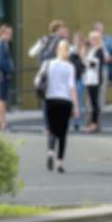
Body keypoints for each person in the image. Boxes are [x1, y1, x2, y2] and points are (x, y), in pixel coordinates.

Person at [34, 39, 80, 173]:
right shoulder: (70, 67)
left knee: (52, 129)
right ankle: (60, 163)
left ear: (56, 50)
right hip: (65, 100)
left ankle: (50, 153)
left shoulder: (48, 64)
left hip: (50, 99)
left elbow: (37, 80)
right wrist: (76, 106)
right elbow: (72, 88)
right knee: (63, 133)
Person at [80, 30, 107, 133]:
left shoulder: (99, 50)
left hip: (95, 79)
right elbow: (86, 64)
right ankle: (92, 123)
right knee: (92, 101)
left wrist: (84, 57)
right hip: (90, 79)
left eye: (91, 38)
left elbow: (93, 65)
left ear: (96, 40)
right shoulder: (92, 50)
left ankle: (94, 124)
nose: (89, 40)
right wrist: (84, 58)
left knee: (95, 102)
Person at [94, 20, 112, 92]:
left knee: (103, 89)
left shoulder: (108, 39)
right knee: (94, 89)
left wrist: (110, 58)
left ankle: (101, 103)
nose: (99, 30)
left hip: (105, 66)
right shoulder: (92, 39)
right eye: (97, 29)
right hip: (94, 67)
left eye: (100, 28)